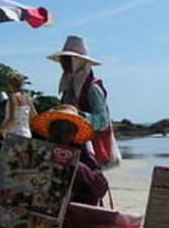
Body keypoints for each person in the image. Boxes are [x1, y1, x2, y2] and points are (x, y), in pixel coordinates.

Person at [48, 35, 121, 169]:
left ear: (78, 61)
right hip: (71, 144)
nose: (64, 63)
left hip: (89, 149)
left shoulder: (92, 88)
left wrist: (79, 115)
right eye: (63, 60)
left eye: (67, 59)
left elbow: (102, 121)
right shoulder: (69, 85)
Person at [31, 105, 109, 206]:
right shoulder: (38, 150)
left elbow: (101, 187)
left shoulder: (81, 152)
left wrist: (77, 167)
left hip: (72, 212)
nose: (62, 134)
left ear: (74, 134)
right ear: (49, 130)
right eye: (58, 128)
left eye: (68, 129)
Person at [0, 71, 36, 139]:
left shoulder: (13, 97)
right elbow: (34, 116)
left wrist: (0, 130)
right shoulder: (28, 98)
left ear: (10, 84)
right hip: (27, 134)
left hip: (14, 136)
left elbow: (11, 120)